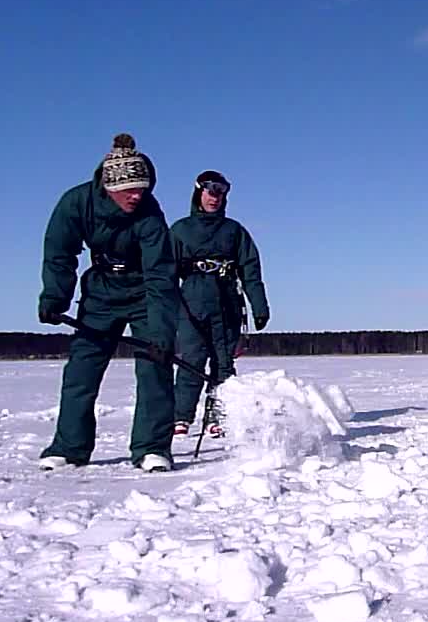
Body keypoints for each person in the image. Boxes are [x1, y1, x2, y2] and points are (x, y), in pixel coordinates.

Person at [37, 134, 179, 473]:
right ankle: (69, 447)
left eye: (142, 188)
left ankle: (152, 448)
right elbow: (60, 252)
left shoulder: (150, 215)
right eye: (130, 189)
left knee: (154, 368)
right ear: (109, 186)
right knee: (81, 371)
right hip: (101, 291)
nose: (137, 195)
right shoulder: (76, 203)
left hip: (144, 290)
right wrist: (55, 296)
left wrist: (160, 332)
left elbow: (161, 275)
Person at [171, 171, 270, 439]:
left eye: (220, 194)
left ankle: (217, 415)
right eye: (210, 192)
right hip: (191, 301)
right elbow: (164, 271)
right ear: (198, 194)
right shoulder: (180, 230)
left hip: (226, 300)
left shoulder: (234, 231)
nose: (215, 198)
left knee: (223, 362)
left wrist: (259, 305)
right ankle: (182, 416)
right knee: (192, 358)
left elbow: (250, 269)